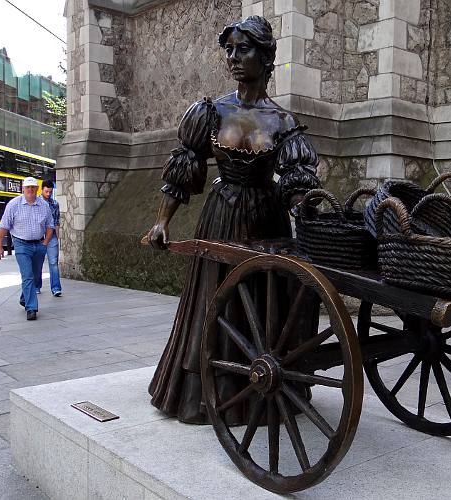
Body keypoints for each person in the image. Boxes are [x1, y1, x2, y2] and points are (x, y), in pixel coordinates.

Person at [145, 15, 322, 424]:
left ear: (266, 57)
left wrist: (304, 209)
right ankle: (208, 396)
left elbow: (297, 183)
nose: (234, 57)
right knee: (216, 302)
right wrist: (161, 221)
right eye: (230, 49)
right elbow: (184, 168)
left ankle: (262, 391)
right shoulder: (211, 112)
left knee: (263, 306)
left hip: (266, 219)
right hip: (222, 216)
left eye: (244, 49)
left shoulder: (283, 122)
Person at [0, 177, 54, 321]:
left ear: (37, 189)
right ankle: (32, 308)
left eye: (33, 187)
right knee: (27, 275)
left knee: (35, 276)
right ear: (23, 189)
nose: (30, 190)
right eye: (28, 187)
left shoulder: (43, 205)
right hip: (21, 244)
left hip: (39, 244)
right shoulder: (14, 205)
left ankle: (25, 298)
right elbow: (4, 226)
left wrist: (45, 243)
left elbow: (50, 225)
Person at [37, 179, 63, 297]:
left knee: (53, 262)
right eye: (46, 191)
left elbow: (57, 221)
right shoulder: (36, 202)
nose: (48, 194)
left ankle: (56, 288)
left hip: (51, 235)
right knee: (38, 263)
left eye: (50, 192)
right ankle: (36, 286)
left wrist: (57, 237)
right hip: (38, 236)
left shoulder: (55, 204)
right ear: (42, 189)